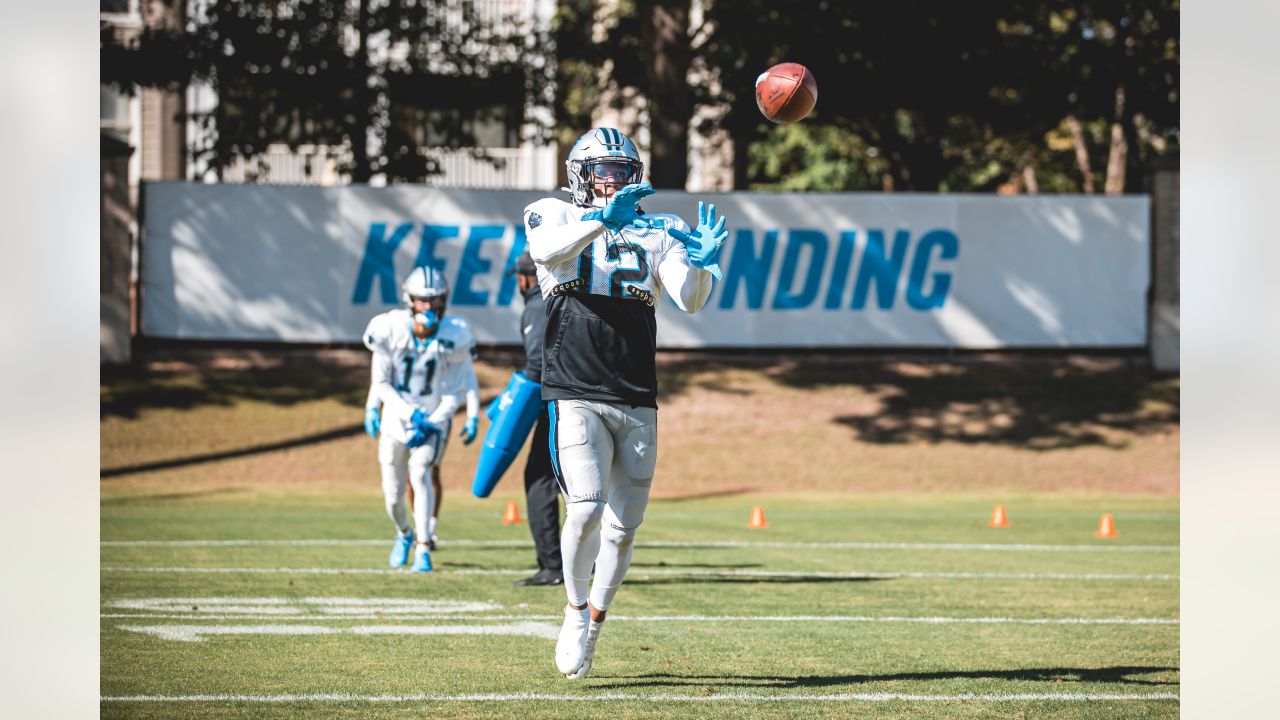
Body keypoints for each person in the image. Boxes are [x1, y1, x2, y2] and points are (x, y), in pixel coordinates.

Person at [524, 127, 728, 679]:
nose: (613, 178)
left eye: (621, 169)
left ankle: (595, 619)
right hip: (574, 386)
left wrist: (704, 263)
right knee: (586, 507)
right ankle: (571, 612)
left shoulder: (661, 227)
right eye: (603, 169)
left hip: (636, 389)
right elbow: (544, 251)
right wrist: (600, 223)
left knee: (623, 526)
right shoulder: (553, 213)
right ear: (579, 173)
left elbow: (689, 300)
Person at [362, 266, 479, 572]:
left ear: (443, 301)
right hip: (395, 421)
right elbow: (382, 382)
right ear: (409, 300)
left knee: (420, 472)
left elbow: (455, 389)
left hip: (432, 419)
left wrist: (431, 420)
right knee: (392, 496)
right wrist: (374, 408)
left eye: (433, 300)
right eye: (421, 300)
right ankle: (404, 533)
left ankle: (424, 547)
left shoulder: (454, 333)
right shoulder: (389, 328)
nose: (427, 307)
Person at [509, 251, 564, 588]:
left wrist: (515, 412)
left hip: (554, 406)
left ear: (525, 277)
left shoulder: (534, 307)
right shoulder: (563, 298)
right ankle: (581, 561)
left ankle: (552, 565)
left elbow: (536, 367)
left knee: (540, 480)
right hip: (580, 400)